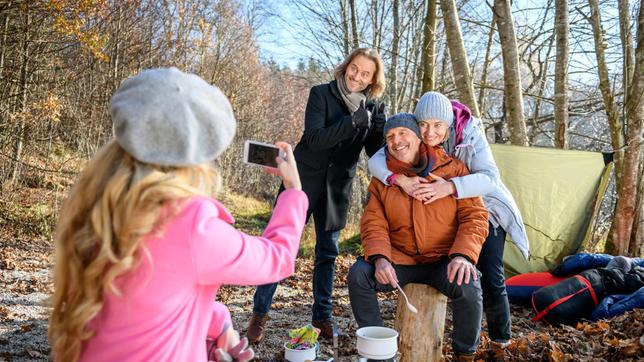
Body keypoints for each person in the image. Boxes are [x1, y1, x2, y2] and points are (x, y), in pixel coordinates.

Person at [48, 67, 308, 362]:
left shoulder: (100, 207)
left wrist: (210, 323)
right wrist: (293, 188)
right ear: (200, 157)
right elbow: (277, 257)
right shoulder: (192, 225)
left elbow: (144, 299)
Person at [368, 91, 529, 360]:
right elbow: (376, 160)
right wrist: (398, 180)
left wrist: (450, 187)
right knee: (454, 270)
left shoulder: (470, 135)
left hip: (486, 207)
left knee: (488, 273)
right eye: (423, 125)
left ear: (449, 124)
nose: (430, 132)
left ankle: (501, 340)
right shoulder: (407, 137)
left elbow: (490, 178)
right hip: (450, 209)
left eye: (438, 125)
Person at [247, 48, 387, 343]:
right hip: (303, 180)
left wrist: (377, 130)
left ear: (373, 80)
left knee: (328, 253)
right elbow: (315, 138)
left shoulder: (369, 108)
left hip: (337, 189)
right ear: (346, 66)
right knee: (280, 244)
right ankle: (259, 314)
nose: (357, 77)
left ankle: (322, 316)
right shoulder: (320, 94)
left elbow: (373, 154)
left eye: (365, 74)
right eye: (355, 69)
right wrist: (351, 123)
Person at [348, 112, 489, 361]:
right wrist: (380, 258)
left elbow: (475, 217)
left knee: (469, 284)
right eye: (390, 136)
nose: (396, 140)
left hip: (443, 260)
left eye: (403, 133)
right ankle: (378, 351)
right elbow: (373, 222)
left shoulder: (453, 169)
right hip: (401, 260)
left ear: (418, 138)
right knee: (359, 274)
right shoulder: (383, 179)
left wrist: (463, 256)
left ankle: (464, 353)